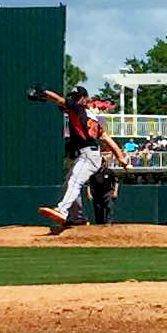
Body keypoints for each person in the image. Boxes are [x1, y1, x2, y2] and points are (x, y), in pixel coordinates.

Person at [27, 85, 126, 228]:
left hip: (89, 154)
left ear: (85, 99)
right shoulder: (90, 116)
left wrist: (42, 92)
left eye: (78, 97)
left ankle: (62, 210)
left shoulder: (78, 108)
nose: (75, 99)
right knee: (69, 182)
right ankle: (77, 217)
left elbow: (59, 100)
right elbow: (105, 137)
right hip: (89, 154)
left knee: (74, 182)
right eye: (74, 97)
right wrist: (120, 156)